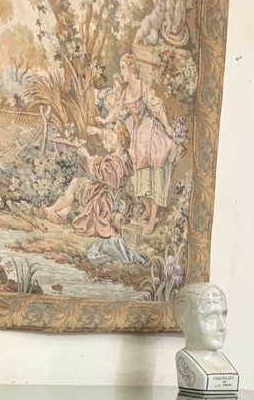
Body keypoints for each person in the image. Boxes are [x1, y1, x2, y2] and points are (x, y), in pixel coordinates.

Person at [38, 125, 148, 266]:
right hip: (118, 201)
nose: (109, 136)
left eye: (112, 135)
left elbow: (104, 172)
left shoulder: (114, 161)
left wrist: (87, 156)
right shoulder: (125, 159)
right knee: (82, 192)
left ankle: (51, 209)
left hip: (104, 202)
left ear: (120, 141)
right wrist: (97, 133)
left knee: (75, 183)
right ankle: (61, 215)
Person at [118, 52, 176, 236]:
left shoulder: (143, 87)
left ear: (132, 68)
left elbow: (157, 107)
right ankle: (148, 208)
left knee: (154, 173)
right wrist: (104, 123)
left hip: (149, 132)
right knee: (138, 175)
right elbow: (119, 112)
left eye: (123, 68)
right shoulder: (126, 92)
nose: (122, 72)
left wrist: (167, 125)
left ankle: (153, 218)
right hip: (135, 134)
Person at [173, 283, 238, 390]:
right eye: (211, 317)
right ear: (183, 322)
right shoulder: (186, 361)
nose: (222, 326)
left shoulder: (225, 364)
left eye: (223, 315)